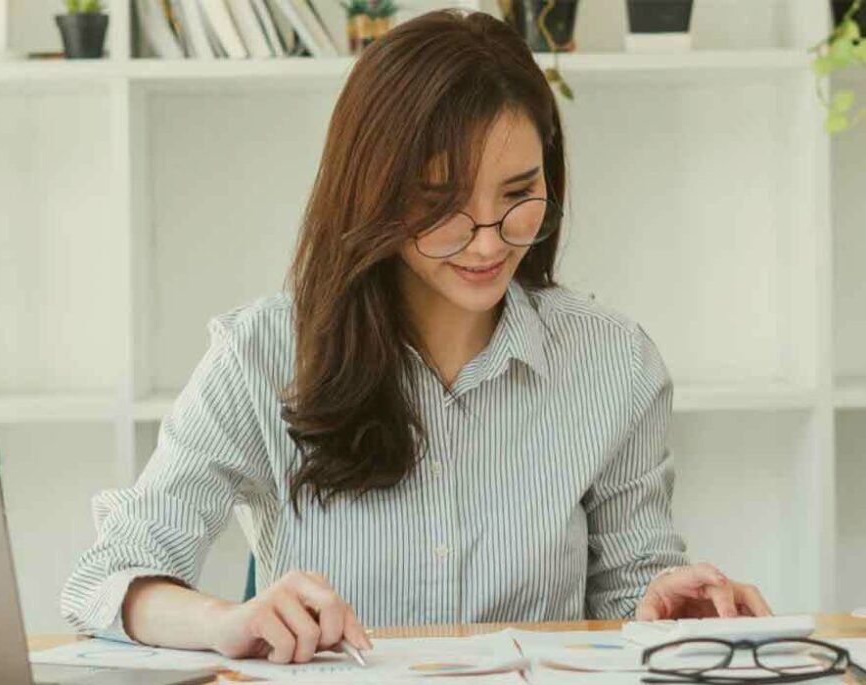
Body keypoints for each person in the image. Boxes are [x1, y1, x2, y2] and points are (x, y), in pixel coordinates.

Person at [61, 8, 772, 666]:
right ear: (371, 192)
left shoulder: (614, 362)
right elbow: (106, 575)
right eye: (442, 206)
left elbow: (629, 597)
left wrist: (667, 609)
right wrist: (225, 620)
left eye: (519, 194)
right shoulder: (262, 354)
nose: (489, 239)